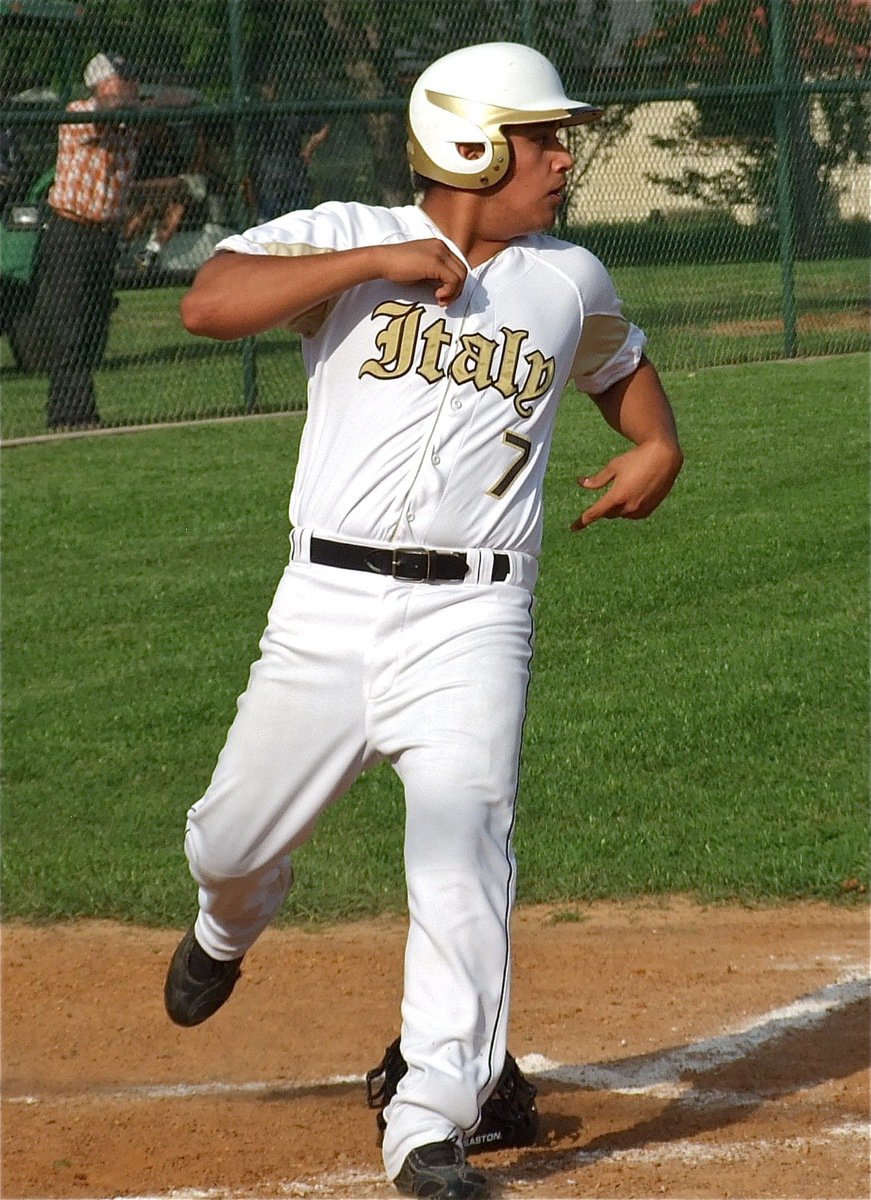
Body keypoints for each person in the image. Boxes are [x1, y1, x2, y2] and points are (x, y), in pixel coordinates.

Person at [165, 42, 683, 1200]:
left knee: (464, 840)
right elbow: (208, 303)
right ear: (469, 143)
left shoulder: (569, 277)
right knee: (229, 839)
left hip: (477, 614)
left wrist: (656, 445)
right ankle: (224, 922)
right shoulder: (346, 232)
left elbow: (616, 364)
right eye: (541, 138)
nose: (563, 157)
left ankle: (431, 1115)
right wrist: (386, 258)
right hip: (327, 607)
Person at [29, 53, 139, 429]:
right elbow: (105, 111)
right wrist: (127, 102)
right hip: (70, 233)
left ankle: (72, 410)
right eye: (119, 80)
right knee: (69, 327)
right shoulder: (79, 114)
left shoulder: (129, 122)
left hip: (104, 237)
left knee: (94, 330)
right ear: (99, 83)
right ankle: (71, 414)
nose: (128, 86)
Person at [123, 86, 209, 274]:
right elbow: (139, 181)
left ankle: (150, 253)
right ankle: (121, 249)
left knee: (177, 206)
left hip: (170, 197)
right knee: (146, 210)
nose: (154, 131)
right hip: (148, 199)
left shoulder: (175, 145)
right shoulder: (143, 150)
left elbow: (188, 174)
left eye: (157, 126)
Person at [246, 78, 330, 222]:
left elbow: (323, 127)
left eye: (268, 86)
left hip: (292, 176)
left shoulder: (289, 112)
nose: (264, 90)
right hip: (267, 179)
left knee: (298, 222)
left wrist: (308, 150)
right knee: (269, 223)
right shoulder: (253, 115)